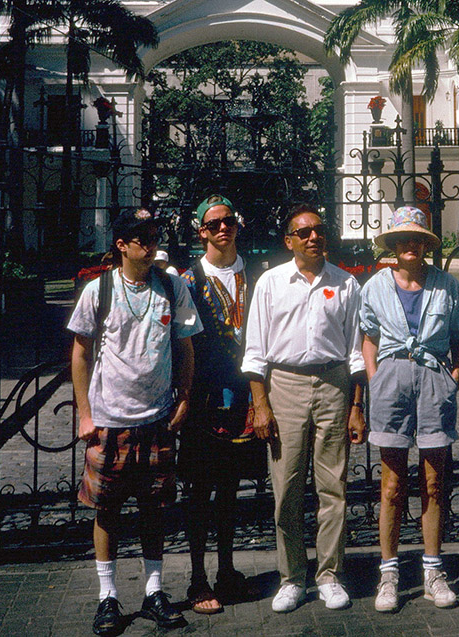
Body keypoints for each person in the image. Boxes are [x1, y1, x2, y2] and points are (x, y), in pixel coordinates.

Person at [68, 208, 202, 635]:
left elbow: (186, 349)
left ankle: (154, 591)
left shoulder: (172, 286)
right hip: (109, 421)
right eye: (139, 236)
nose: (149, 241)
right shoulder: (98, 290)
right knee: (106, 510)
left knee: (154, 510)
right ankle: (108, 597)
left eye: (153, 234)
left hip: (157, 419)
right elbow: (81, 352)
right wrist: (85, 414)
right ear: (121, 244)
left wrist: (183, 398)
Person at [242, 203, 366, 613]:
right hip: (285, 386)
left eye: (319, 230)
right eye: (305, 232)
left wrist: (355, 406)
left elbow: (355, 353)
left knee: (334, 488)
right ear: (289, 241)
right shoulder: (271, 283)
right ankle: (292, 577)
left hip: (333, 384)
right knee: (287, 488)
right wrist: (261, 405)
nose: (314, 237)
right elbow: (255, 351)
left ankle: (329, 575)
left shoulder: (346, 284)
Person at [360, 206, 459, 613]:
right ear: (392, 245)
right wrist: (375, 377)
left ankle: (433, 572)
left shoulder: (446, 286)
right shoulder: (374, 287)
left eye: (417, 238)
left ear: (425, 244)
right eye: (401, 239)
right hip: (391, 383)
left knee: (434, 482)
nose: (410, 245)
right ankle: (389, 573)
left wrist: (453, 376)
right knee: (391, 486)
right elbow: (369, 337)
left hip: (433, 382)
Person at [179, 195, 264, 614]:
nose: (222, 229)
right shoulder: (186, 280)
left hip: (246, 399)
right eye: (213, 224)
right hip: (202, 399)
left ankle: (227, 572)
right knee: (199, 491)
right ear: (201, 232)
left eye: (228, 221)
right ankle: (197, 579)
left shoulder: (258, 274)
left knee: (231, 491)